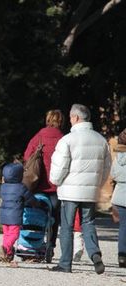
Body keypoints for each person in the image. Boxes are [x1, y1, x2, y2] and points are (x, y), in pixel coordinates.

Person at [48, 104, 112, 274]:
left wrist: (55, 181)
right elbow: (106, 168)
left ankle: (65, 263)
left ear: (76, 118)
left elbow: (60, 166)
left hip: (70, 191)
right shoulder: (101, 140)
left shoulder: (67, 140)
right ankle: (95, 254)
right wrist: (96, 183)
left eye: (70, 117)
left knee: (67, 226)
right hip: (90, 191)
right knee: (88, 223)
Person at [23, 110, 64, 262]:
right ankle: (50, 247)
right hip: (56, 187)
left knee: (35, 216)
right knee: (54, 217)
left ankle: (32, 245)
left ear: (47, 119)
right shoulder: (63, 139)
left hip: (37, 185)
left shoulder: (37, 137)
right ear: (61, 121)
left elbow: (27, 157)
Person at [0, 163, 40, 265]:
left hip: (4, 216)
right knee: (14, 234)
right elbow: (30, 199)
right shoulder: (21, 187)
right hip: (14, 217)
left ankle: (6, 253)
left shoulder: (3, 187)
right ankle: (5, 247)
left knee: (7, 234)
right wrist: (37, 204)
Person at [110, 129, 126, 268]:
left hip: (119, 196)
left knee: (123, 227)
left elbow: (113, 175)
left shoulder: (117, 159)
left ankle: (122, 255)